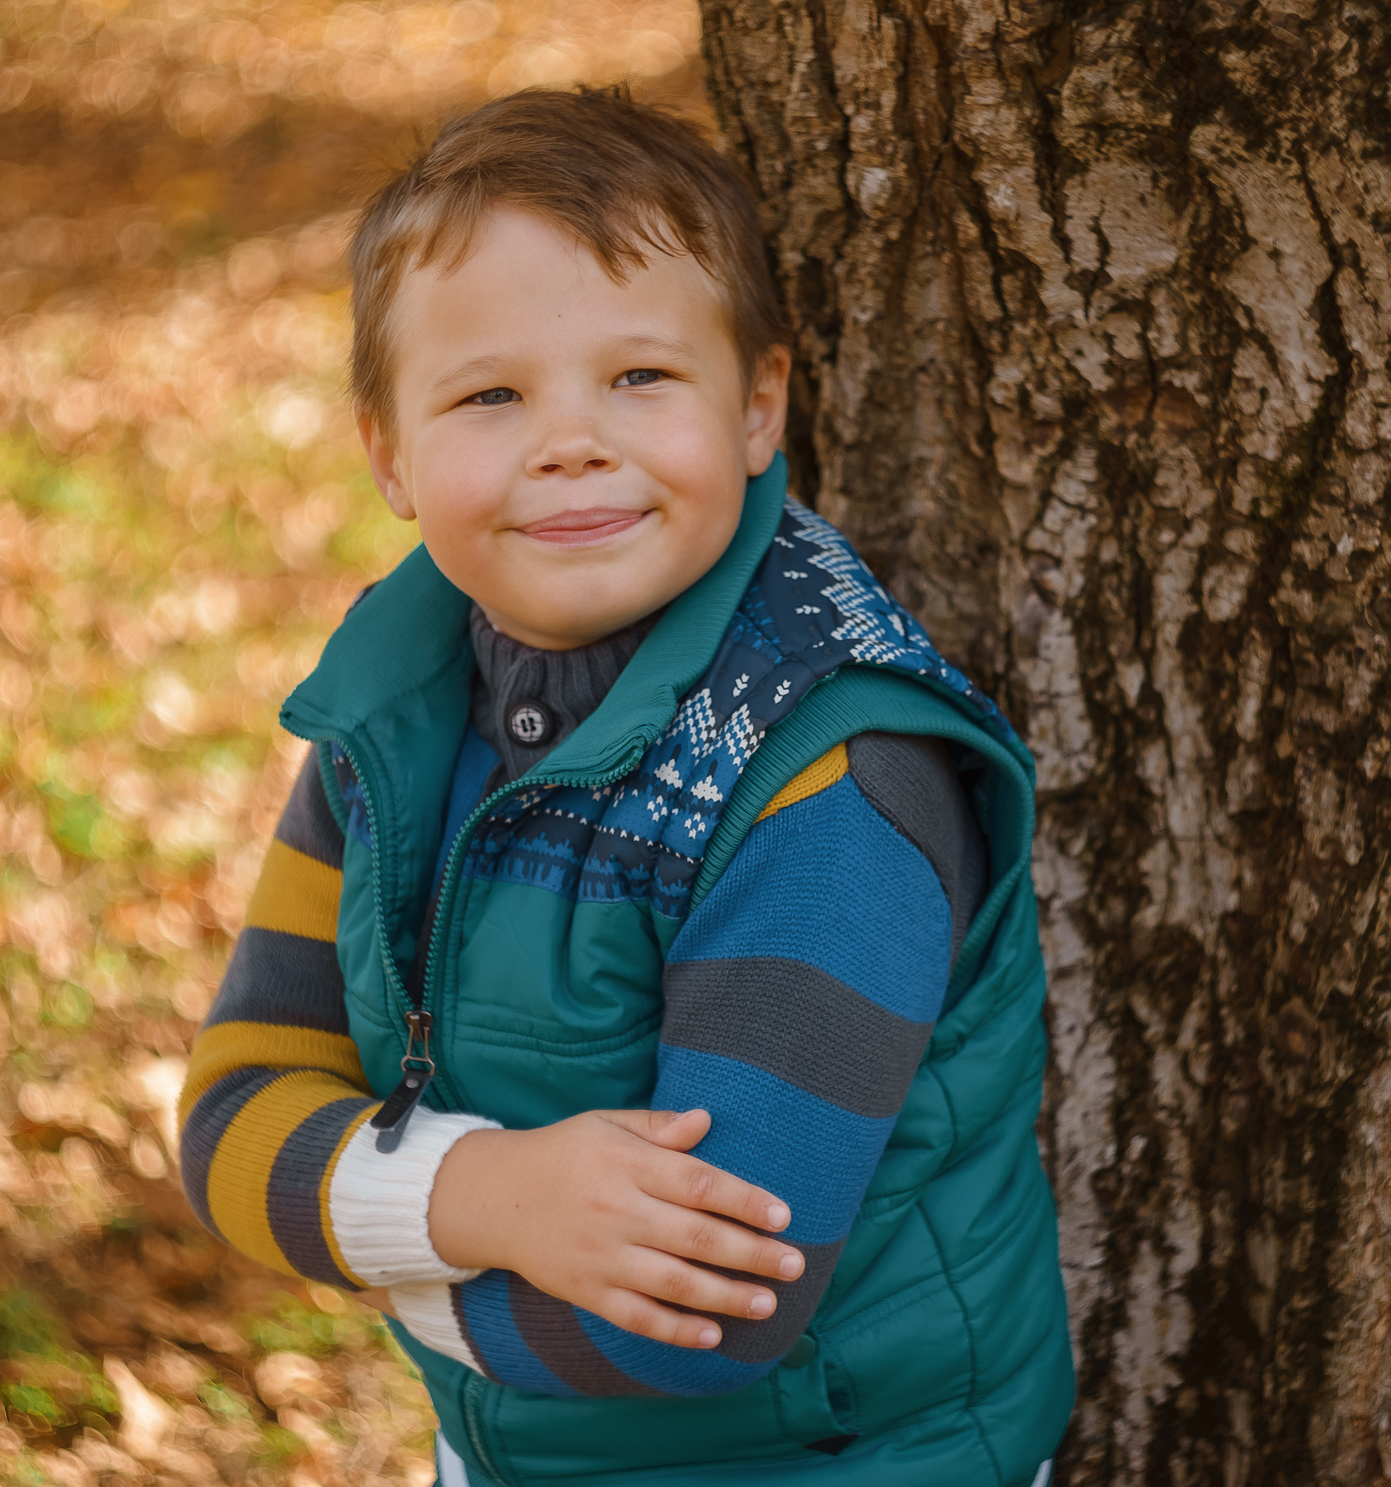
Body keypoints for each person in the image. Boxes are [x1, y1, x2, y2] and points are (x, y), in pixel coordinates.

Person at [177, 87, 1072, 1486]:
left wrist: (378, 1240)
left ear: (760, 403)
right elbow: (232, 1111)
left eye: (641, 378)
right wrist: (489, 1198)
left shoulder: (828, 789)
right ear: (390, 454)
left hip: (856, 1461)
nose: (572, 440)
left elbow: (706, 1317)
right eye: (491, 395)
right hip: (520, 1452)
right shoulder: (393, 719)